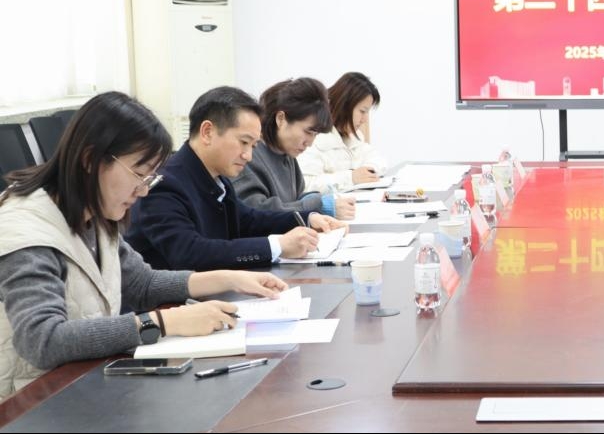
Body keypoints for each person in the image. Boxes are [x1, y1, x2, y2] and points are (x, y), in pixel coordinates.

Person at [0, 92, 287, 398]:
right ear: (90, 160)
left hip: (81, 385)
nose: (143, 191)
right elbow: (42, 340)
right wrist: (163, 322)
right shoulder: (27, 229)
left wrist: (229, 279)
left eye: (149, 178)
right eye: (138, 174)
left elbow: (142, 283)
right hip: (29, 403)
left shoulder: (93, 212)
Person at [126, 87, 345, 271]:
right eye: (243, 142)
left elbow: (249, 220)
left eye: (253, 146)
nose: (248, 156)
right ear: (207, 132)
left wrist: (307, 218)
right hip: (173, 304)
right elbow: (189, 253)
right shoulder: (165, 183)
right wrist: (277, 246)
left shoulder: (216, 178)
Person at [232, 78, 355, 220]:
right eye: (308, 132)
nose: (309, 143)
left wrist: (315, 198)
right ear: (281, 119)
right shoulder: (248, 156)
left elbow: (294, 199)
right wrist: (318, 206)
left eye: (315, 134)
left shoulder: (286, 154)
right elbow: (256, 213)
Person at [299, 72, 387, 193]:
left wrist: (367, 171)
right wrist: (351, 177)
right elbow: (305, 185)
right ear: (344, 106)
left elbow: (378, 159)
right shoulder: (313, 137)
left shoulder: (353, 136)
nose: (365, 120)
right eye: (362, 111)